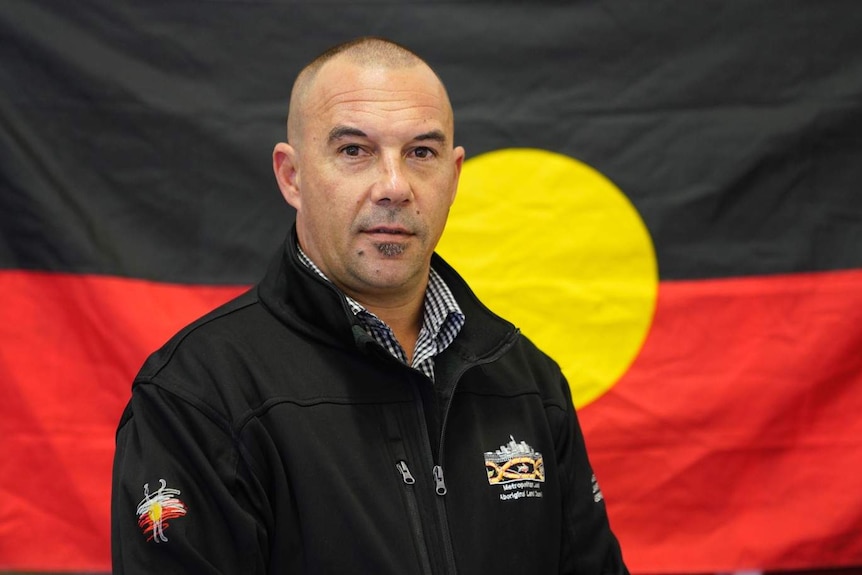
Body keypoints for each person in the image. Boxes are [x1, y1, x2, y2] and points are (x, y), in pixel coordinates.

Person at [111, 36, 629, 574]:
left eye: (421, 153)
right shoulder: (198, 394)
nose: (394, 185)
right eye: (354, 150)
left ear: (453, 178)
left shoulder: (527, 381)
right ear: (292, 176)